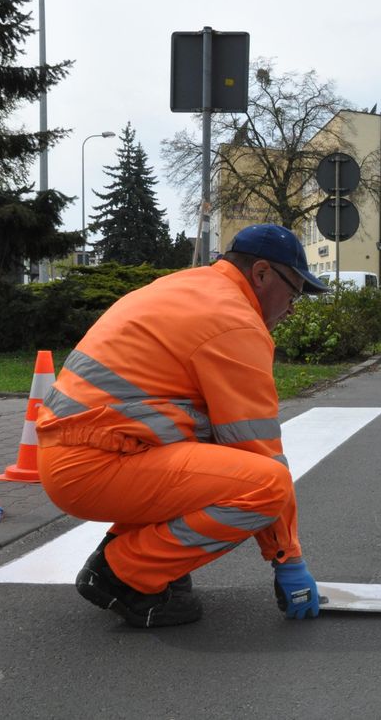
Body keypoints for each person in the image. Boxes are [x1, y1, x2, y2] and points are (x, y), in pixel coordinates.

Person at [36, 224, 329, 628]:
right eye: (294, 291)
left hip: (79, 455)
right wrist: (288, 560)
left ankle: (126, 556)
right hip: (95, 463)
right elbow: (259, 453)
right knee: (266, 485)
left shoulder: (188, 287)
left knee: (212, 454)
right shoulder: (234, 322)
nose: (293, 307)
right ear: (261, 274)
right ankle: (124, 574)